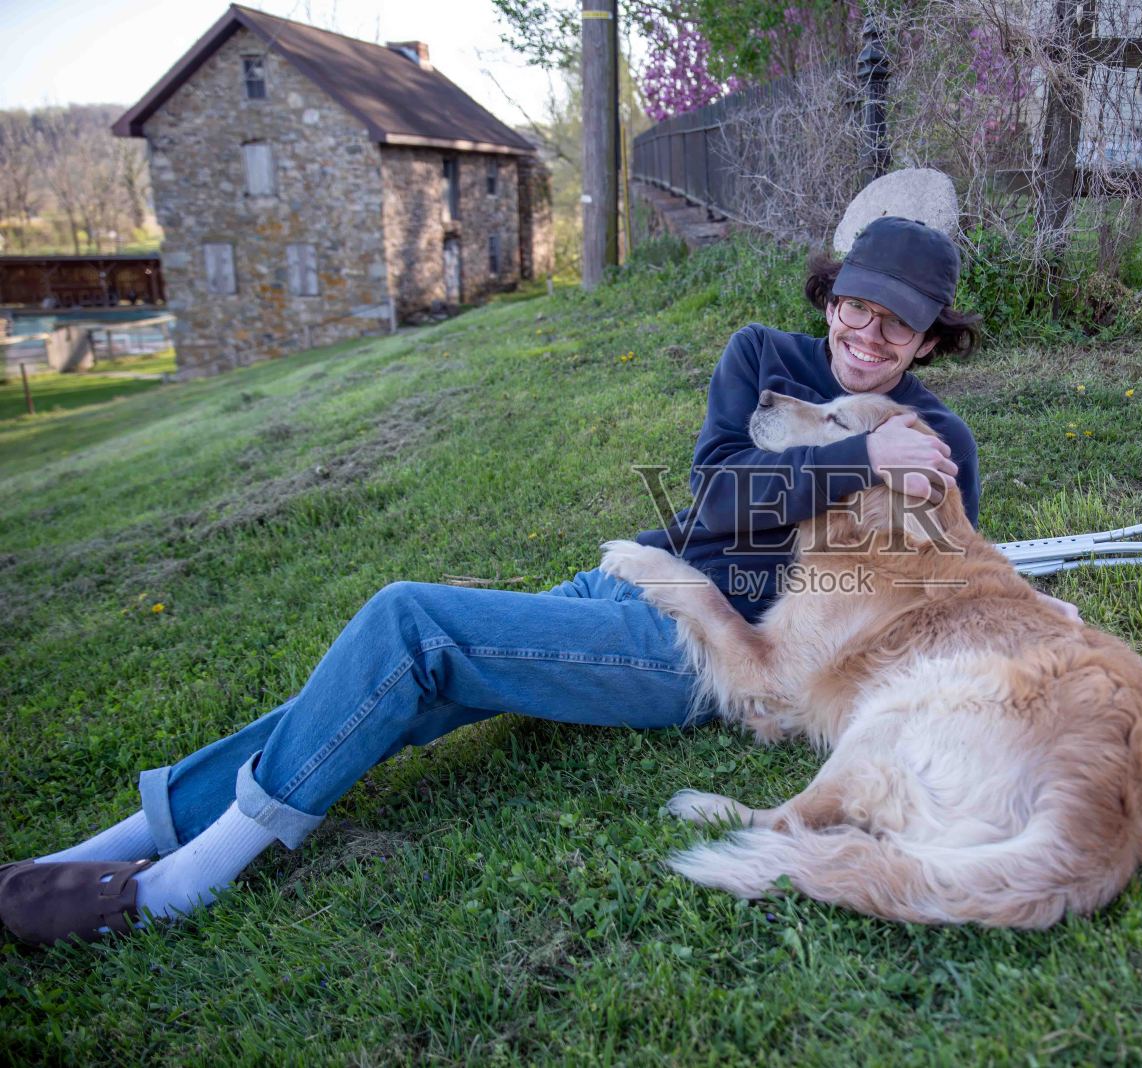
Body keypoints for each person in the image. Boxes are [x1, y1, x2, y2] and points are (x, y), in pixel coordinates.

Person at [0, 217, 1073, 947]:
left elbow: (938, 590)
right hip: (625, 587)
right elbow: (710, 502)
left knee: (410, 622)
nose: (862, 331)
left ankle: (178, 884)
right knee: (410, 679)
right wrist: (852, 461)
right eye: (852, 303)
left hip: (691, 648)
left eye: (894, 323)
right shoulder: (761, 358)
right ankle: (128, 839)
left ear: (931, 337)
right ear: (829, 293)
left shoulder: (939, 442)